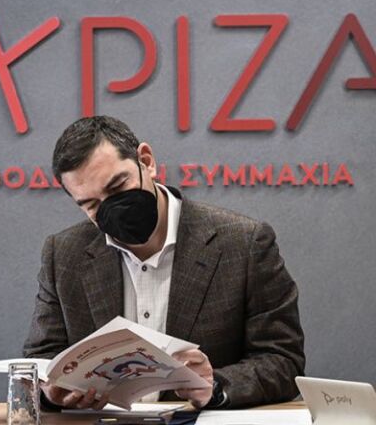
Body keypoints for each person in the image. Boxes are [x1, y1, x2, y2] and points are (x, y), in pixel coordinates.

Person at [23, 115, 305, 411]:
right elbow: (37, 362)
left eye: (118, 187)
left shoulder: (244, 243)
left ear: (146, 161)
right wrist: (50, 393)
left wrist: (215, 386)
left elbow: (283, 361)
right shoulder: (63, 253)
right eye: (92, 205)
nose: (111, 209)